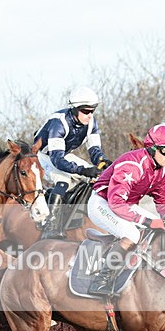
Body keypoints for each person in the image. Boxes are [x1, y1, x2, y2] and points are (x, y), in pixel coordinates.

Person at [86, 124, 165, 297]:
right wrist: (146, 221)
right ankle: (101, 281)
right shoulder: (133, 165)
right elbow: (115, 203)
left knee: (160, 226)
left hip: (125, 205)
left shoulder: (162, 171)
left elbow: (163, 203)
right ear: (152, 149)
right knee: (132, 234)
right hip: (102, 202)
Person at [34, 86, 112, 238]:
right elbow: (57, 160)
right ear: (74, 109)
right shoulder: (59, 123)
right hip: (43, 157)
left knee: (96, 176)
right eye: (86, 111)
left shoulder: (91, 124)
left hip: (62, 155)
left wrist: (103, 162)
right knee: (63, 181)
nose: (90, 115)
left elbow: (95, 151)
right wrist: (82, 170)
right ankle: (51, 226)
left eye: (92, 111)